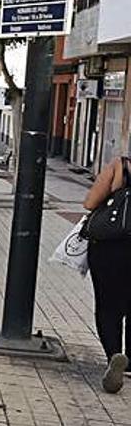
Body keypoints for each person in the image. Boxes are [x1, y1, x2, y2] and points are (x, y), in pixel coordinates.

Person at [84, 155, 131, 393]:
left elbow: (90, 203)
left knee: (108, 306)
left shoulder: (120, 166)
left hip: (110, 246)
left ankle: (114, 355)